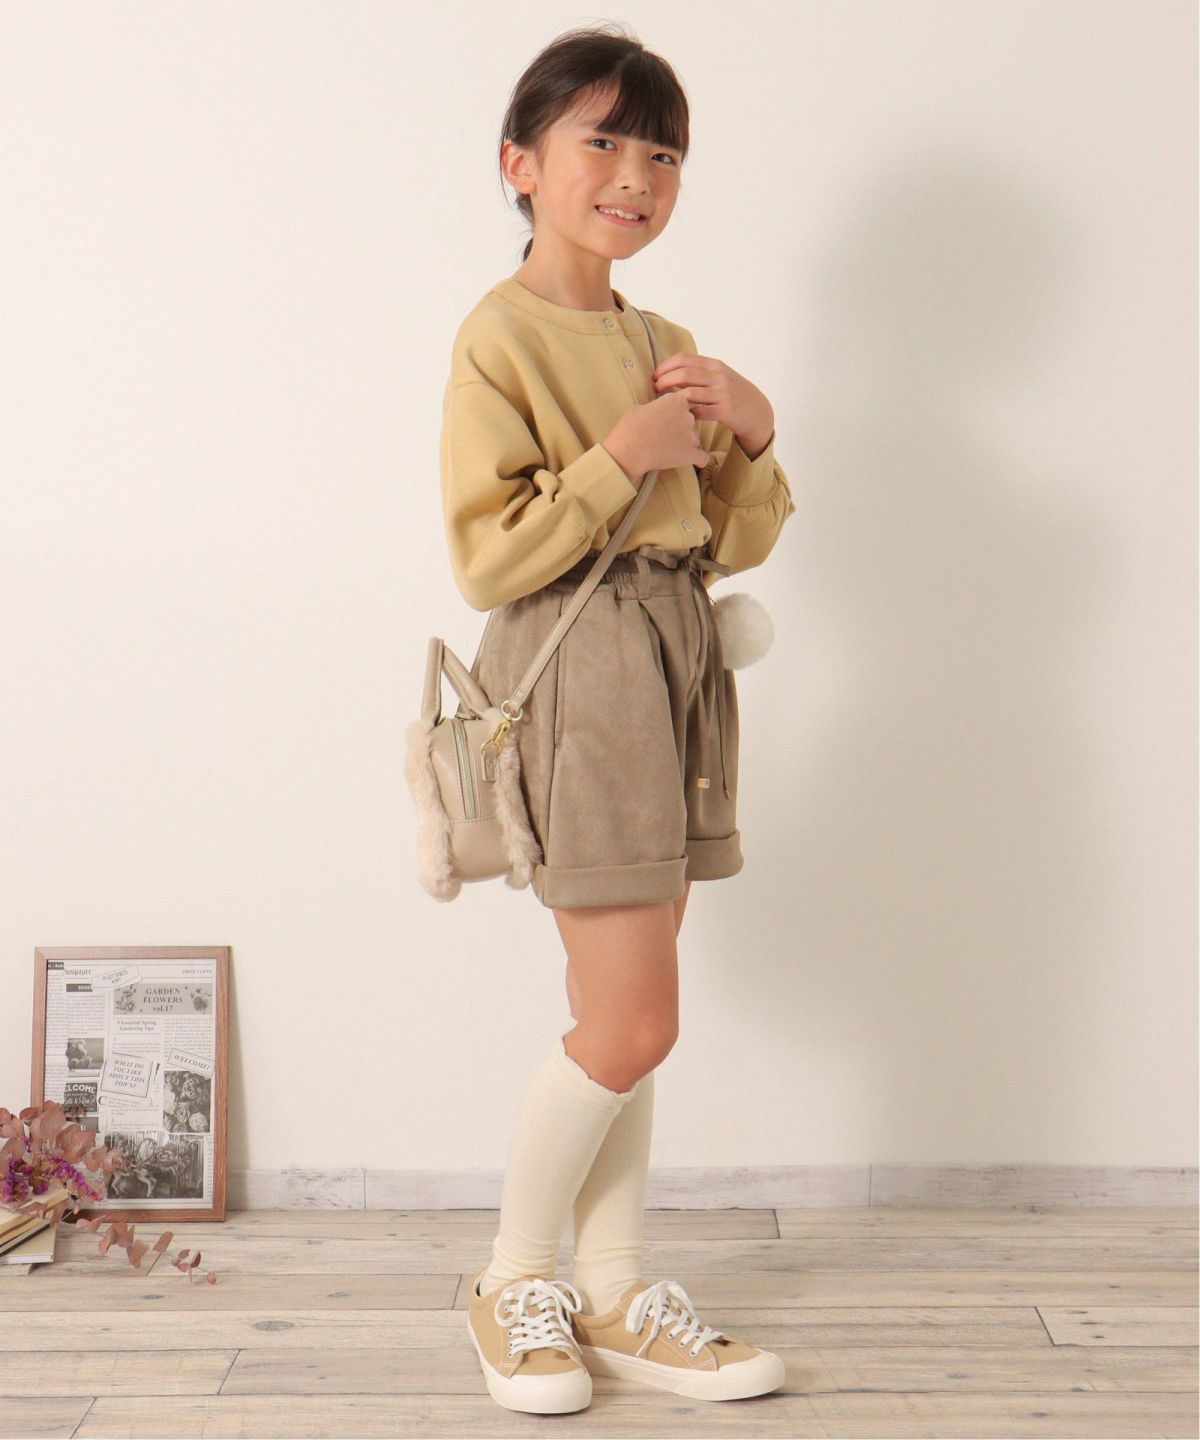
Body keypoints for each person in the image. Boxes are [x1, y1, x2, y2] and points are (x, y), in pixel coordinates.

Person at [442, 24, 796, 1415]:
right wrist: (616, 458)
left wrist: (752, 433)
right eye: (602, 142)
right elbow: (489, 559)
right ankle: (511, 1278)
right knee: (634, 1020)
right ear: (521, 164)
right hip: (577, 671)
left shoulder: (667, 341)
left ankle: (611, 1288)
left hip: (678, 665)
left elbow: (731, 537)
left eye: (662, 154)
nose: (636, 176)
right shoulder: (499, 335)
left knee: (623, 1013)